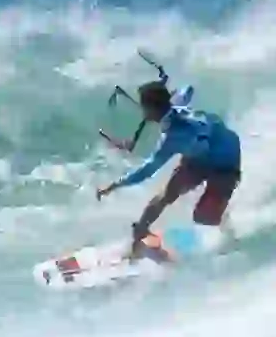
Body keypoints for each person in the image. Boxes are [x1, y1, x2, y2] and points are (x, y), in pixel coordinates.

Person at [96, 81, 242, 252]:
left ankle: (221, 215)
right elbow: (189, 88)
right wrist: (174, 94)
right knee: (166, 195)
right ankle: (138, 239)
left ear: (152, 109)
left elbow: (147, 170)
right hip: (198, 157)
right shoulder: (176, 104)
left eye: (144, 107)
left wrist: (114, 185)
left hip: (225, 159)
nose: (142, 111)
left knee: (202, 217)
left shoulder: (174, 138)